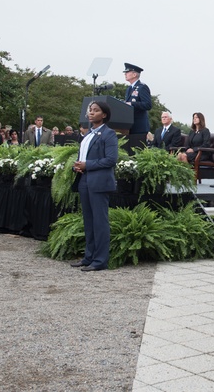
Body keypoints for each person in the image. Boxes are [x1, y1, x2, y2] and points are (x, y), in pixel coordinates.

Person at [71, 100, 119, 272]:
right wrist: (76, 166)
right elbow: (83, 156)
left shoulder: (108, 134)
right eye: (90, 110)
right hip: (84, 180)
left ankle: (100, 261)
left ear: (104, 115)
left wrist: (87, 165)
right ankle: (88, 257)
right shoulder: (87, 135)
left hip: (99, 182)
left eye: (96, 110)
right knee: (89, 221)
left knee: (100, 222)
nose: (91, 113)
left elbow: (111, 160)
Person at [123, 63, 152, 137]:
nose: (125, 74)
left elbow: (147, 105)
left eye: (127, 72)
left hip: (139, 127)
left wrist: (131, 104)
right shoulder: (129, 88)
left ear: (134, 74)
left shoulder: (142, 87)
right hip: (129, 125)